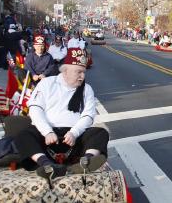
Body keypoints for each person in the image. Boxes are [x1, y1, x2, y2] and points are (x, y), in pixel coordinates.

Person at [14, 47, 109, 183]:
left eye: (84, 72)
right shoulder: (47, 83)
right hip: (47, 136)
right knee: (23, 135)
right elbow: (35, 109)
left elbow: (88, 115)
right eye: (79, 72)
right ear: (65, 71)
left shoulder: (86, 89)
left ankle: (86, 161)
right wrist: (47, 132)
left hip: (73, 138)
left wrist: (74, 133)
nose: (82, 76)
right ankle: (46, 164)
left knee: (100, 133)